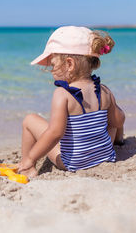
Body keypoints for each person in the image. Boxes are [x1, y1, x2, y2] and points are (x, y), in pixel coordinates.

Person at [19, 26, 125, 177]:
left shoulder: (62, 94)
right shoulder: (104, 90)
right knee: (113, 117)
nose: (51, 71)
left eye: (53, 65)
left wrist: (31, 157)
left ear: (69, 64)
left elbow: (55, 133)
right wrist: (113, 110)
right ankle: (119, 141)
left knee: (30, 120)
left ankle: (27, 167)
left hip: (74, 162)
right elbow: (118, 122)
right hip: (104, 156)